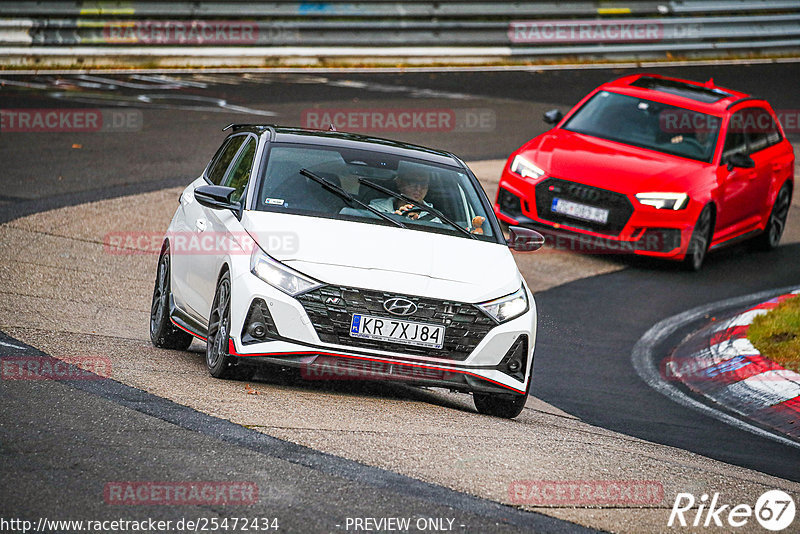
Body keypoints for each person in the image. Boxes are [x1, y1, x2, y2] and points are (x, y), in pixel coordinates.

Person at [370, 170, 435, 220]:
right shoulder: (377, 209)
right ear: (399, 182)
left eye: (423, 184)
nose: (418, 188)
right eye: (412, 182)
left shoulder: (434, 217)